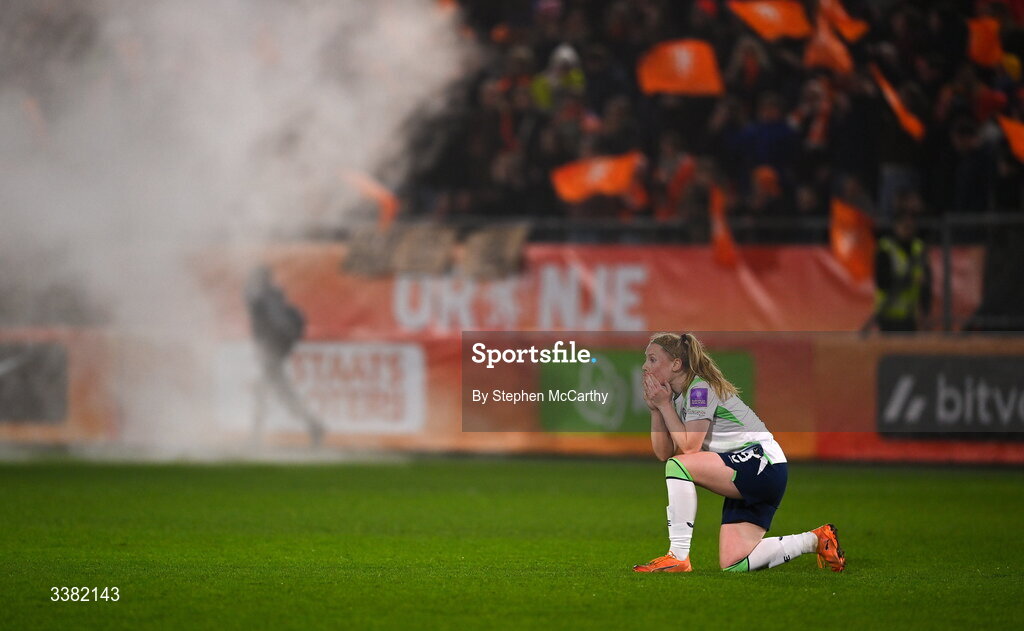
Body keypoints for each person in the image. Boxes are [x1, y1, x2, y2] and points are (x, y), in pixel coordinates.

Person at [633, 332, 845, 573]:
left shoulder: (699, 389)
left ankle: (678, 556)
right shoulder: (678, 397)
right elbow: (663, 452)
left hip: (761, 462)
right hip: (754, 467)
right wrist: (656, 410)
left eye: (652, 359)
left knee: (678, 466)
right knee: (734, 563)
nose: (645, 366)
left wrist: (664, 406)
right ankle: (816, 540)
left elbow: (690, 447)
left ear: (676, 364)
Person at [245, 266, 325, 447]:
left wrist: (274, 346)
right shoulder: (266, 296)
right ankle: (313, 425)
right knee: (274, 392)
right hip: (271, 351)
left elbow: (278, 322)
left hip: (271, 351)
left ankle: (313, 425)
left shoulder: (266, 297)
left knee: (271, 393)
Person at [867, 206, 932, 332]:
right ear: (896, 226)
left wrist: (925, 311)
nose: (908, 229)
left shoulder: (919, 248)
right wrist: (911, 279)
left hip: (910, 316)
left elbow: (926, 284)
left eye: (910, 226)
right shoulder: (886, 249)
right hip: (888, 314)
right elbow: (882, 281)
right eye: (904, 225)